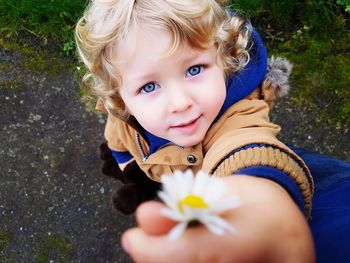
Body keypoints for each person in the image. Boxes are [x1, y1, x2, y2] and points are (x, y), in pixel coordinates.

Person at [75, 0, 349, 262]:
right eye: (149, 87)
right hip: (155, 174)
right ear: (120, 98)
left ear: (225, 60)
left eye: (194, 69)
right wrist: (125, 163)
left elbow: (248, 148)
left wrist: (259, 204)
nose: (180, 102)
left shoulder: (241, 114)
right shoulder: (122, 110)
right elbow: (118, 132)